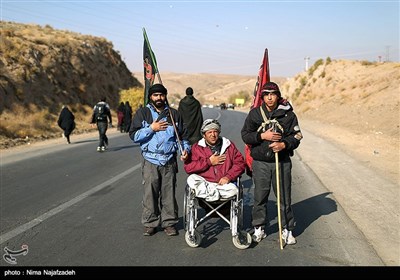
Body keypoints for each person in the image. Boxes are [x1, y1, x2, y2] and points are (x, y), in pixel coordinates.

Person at [241, 81, 303, 245]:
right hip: (261, 162)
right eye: (266, 94)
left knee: (284, 198)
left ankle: (286, 229)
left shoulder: (288, 115)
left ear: (278, 96)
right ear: (262, 97)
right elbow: (245, 135)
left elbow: (296, 136)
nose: (270, 97)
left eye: (273, 94)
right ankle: (258, 228)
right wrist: (262, 137)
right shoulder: (255, 114)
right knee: (260, 197)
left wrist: (284, 144)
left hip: (281, 162)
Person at [129, 83, 191, 237]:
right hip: (150, 160)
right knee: (150, 192)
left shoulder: (174, 114)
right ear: (151, 97)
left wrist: (185, 150)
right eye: (155, 95)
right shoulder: (143, 113)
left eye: (161, 95)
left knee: (168, 193)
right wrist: (151, 128)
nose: (159, 98)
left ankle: (169, 223)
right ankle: (150, 223)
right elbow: (134, 136)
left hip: (169, 160)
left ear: (165, 96)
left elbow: (183, 138)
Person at [184, 119, 246, 205]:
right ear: (204, 135)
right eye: (209, 132)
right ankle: (212, 193)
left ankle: (213, 194)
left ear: (219, 132)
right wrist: (209, 162)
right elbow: (188, 168)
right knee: (191, 179)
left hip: (223, 186)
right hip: (205, 184)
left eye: (215, 131)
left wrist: (228, 177)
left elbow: (240, 163)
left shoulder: (229, 146)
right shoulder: (197, 148)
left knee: (234, 190)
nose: (213, 135)